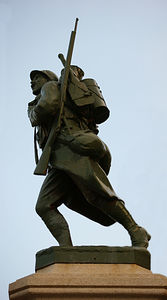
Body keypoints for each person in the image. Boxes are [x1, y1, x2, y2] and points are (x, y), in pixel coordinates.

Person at [28, 67, 151, 248]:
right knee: (45, 206)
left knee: (97, 194)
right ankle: (66, 249)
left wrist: (33, 113)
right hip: (60, 158)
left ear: (47, 78)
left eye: (37, 77)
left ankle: (136, 231)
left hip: (73, 149)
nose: (33, 81)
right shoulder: (52, 91)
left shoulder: (50, 87)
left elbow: (48, 106)